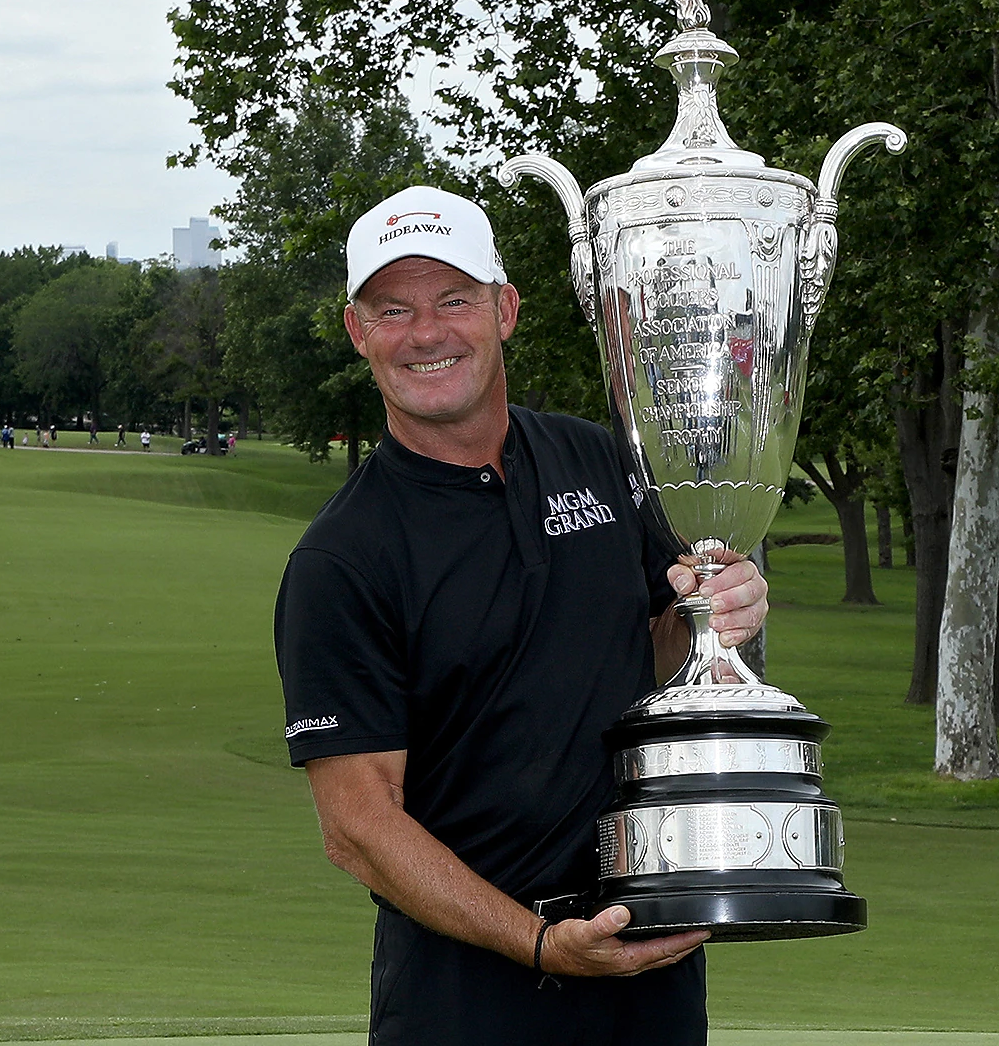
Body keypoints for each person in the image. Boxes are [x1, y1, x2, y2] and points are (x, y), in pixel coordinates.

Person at [274, 186, 767, 1046]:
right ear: (359, 333)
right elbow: (358, 826)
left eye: (454, 300)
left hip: (647, 960)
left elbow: (660, 659)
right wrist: (540, 945)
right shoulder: (343, 558)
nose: (426, 333)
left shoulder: (605, 459)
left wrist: (719, 612)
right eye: (394, 308)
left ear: (505, 309)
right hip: (466, 994)